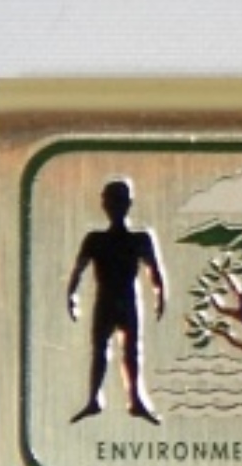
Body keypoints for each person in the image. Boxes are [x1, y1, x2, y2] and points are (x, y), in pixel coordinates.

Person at [65, 179, 168, 424]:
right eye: (112, 201)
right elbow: (78, 270)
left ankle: (134, 399)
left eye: (118, 201)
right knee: (101, 350)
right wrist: (71, 294)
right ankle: (95, 399)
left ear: (128, 204)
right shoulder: (95, 239)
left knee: (129, 351)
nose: (114, 206)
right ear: (104, 204)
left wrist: (160, 294)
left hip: (125, 299)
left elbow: (154, 271)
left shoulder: (139, 239)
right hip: (106, 299)